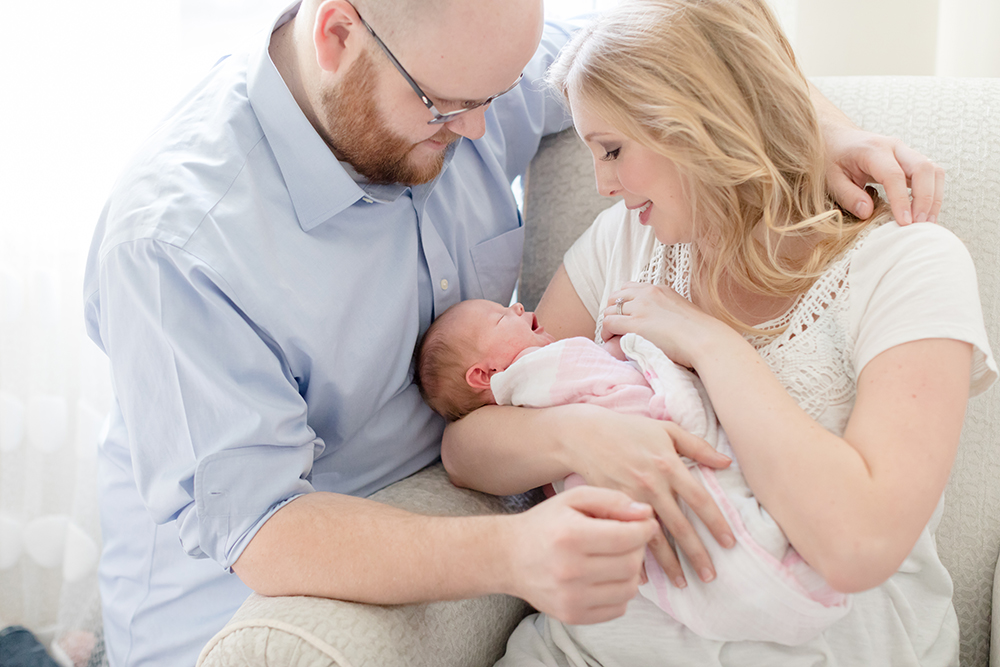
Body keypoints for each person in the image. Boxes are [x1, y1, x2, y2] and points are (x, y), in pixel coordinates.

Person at [82, 0, 949, 663]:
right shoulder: (176, 243)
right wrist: (517, 547)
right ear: (337, 34)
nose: (483, 134)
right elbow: (269, 534)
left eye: (496, 97)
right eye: (446, 107)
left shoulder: (458, 53)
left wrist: (821, 130)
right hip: (246, 605)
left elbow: (693, 59)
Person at [440, 0, 996, 665]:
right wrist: (583, 437)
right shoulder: (620, 244)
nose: (603, 184)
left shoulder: (909, 265)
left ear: (699, 121)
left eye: (613, 149)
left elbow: (858, 545)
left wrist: (709, 344)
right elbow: (468, 445)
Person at [417, 298, 852, 645]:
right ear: (484, 375)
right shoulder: (533, 375)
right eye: (499, 317)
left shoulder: (526, 399)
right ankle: (775, 580)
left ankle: (768, 585)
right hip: (660, 474)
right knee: (716, 530)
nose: (516, 307)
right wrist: (631, 350)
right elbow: (602, 378)